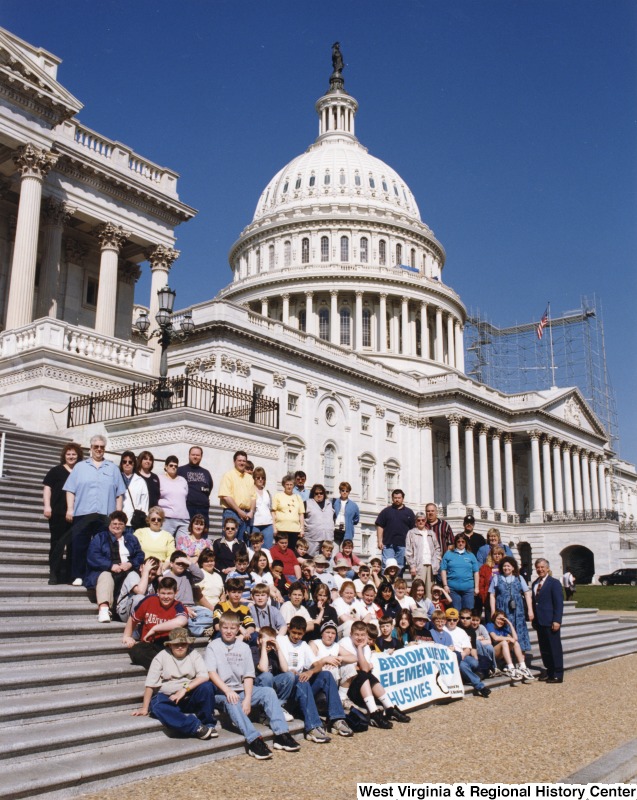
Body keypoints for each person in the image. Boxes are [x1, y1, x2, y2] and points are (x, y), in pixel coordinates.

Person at [205, 611, 300, 758]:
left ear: (238, 629)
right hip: (221, 692)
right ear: (220, 628)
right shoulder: (213, 646)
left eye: (232, 628)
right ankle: (254, 740)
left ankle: (282, 734)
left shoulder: (243, 648)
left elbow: (249, 675)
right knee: (233, 700)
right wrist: (228, 691)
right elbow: (211, 673)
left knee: (268, 692)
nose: (229, 631)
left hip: (241, 690)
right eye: (225, 628)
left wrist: (248, 698)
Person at [132, 627, 217, 740]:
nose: (180, 647)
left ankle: (208, 724)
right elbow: (151, 684)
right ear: (170, 645)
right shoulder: (161, 656)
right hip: (169, 698)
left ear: (188, 644)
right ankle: (196, 727)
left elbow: (204, 676)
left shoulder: (194, 654)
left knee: (207, 687)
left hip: (188, 695)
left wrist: (184, 690)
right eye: (176, 644)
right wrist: (144, 708)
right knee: (157, 704)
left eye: (183, 644)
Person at [64, 434, 126, 586]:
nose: (99, 449)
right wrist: (70, 509)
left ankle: (97, 576)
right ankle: (78, 575)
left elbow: (119, 494)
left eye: (102, 447)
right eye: (96, 447)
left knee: (102, 547)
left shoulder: (112, 468)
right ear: (91, 448)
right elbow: (70, 490)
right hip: (83, 512)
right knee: (80, 545)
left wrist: (118, 514)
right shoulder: (80, 467)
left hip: (105, 515)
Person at [276, 616, 353, 741]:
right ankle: (313, 727)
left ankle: (337, 719)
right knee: (301, 679)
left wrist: (310, 672)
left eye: (300, 634)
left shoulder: (304, 645)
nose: (296, 636)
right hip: (286, 685)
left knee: (326, 675)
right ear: (289, 629)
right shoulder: (280, 639)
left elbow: (317, 664)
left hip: (300, 685)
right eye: (294, 632)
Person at [339, 620, 411, 727]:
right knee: (361, 673)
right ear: (351, 634)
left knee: (365, 674)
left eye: (362, 635)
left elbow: (364, 668)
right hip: (347, 685)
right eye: (356, 635)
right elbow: (363, 667)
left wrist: (359, 649)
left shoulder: (366, 647)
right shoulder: (344, 642)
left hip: (360, 684)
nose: (359, 638)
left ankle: (390, 708)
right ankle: (373, 713)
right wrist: (360, 658)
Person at [85, 510, 145, 623]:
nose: (117, 526)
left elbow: (140, 554)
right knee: (106, 576)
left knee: (133, 575)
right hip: (105, 571)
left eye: (120, 524)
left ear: (124, 526)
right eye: (114, 523)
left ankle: (139, 606)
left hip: (126, 570)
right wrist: (110, 565)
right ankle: (103, 609)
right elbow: (93, 556)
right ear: (109, 524)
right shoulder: (100, 537)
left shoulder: (131, 538)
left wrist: (130, 564)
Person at [122, 576, 188, 671]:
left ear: (176, 593)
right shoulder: (149, 601)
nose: (166, 597)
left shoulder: (178, 605)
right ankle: (167, 669)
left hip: (169, 643)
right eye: (163, 593)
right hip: (150, 643)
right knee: (136, 651)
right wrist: (127, 636)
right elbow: (133, 618)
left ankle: (164, 668)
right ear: (158, 592)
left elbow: (181, 621)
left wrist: (155, 628)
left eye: (169, 593)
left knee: (185, 633)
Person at [43, 441, 83, 584]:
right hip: (58, 513)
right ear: (64, 456)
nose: (71, 456)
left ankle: (70, 575)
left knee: (73, 545)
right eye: (68, 454)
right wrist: (47, 506)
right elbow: (47, 489)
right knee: (57, 544)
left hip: (77, 514)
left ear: (78, 456)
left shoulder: (81, 472)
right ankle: (54, 573)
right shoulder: (56, 471)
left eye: (74, 454)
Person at [489, 556, 534, 653]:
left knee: (520, 630)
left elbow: (526, 593)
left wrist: (530, 610)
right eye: (504, 566)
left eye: (509, 566)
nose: (506, 568)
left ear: (513, 567)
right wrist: (493, 611)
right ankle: (507, 658)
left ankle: (521, 658)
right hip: (502, 609)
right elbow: (492, 595)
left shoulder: (519, 577)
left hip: (518, 611)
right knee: (505, 630)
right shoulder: (496, 578)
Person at [444, 608, 491, 698]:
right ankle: (480, 686)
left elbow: (468, 649)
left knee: (474, 662)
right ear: (446, 619)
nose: (452, 622)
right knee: (463, 665)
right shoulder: (443, 630)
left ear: (457, 620)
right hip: (450, 656)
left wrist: (463, 654)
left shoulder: (461, 631)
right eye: (449, 619)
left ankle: (466, 676)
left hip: (462, 654)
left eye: (454, 619)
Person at [532, 558, 564, 683]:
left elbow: (558, 603)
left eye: (542, 567)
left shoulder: (554, 583)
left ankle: (558, 673)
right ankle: (549, 671)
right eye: (538, 567)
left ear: (548, 568)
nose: (540, 569)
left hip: (551, 621)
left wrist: (557, 620)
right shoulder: (535, 583)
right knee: (544, 648)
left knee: (554, 648)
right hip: (540, 621)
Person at [218, 450, 256, 544]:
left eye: (244, 461)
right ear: (234, 461)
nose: (242, 463)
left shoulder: (249, 478)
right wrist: (239, 511)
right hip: (232, 513)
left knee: (242, 544)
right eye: (239, 460)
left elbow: (253, 497)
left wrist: (251, 511)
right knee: (228, 543)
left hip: (246, 515)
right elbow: (226, 496)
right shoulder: (228, 475)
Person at [375, 489, 415, 573]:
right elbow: (380, 526)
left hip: (403, 545)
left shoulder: (409, 512)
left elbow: (413, 530)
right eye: (395, 498)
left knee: (400, 567)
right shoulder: (386, 511)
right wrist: (379, 541)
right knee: (386, 566)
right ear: (392, 499)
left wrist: (412, 544)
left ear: (403, 498)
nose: (397, 499)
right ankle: (385, 584)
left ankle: (398, 584)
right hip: (388, 544)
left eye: (399, 498)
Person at [486, 610, 532, 683]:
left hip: (500, 654)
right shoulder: (490, 625)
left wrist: (510, 624)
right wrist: (508, 638)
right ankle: (511, 668)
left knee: (515, 643)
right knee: (504, 643)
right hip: (491, 653)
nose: (500, 621)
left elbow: (515, 639)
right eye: (498, 618)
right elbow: (495, 638)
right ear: (494, 618)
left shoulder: (503, 629)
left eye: (502, 620)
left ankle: (523, 666)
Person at [405, 510, 441, 599]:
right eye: (418, 520)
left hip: (431, 566)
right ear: (415, 522)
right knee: (418, 590)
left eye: (423, 520)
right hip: (418, 566)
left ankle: (428, 611)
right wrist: (412, 566)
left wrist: (437, 561)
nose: (421, 522)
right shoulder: (411, 533)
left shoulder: (431, 533)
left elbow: (437, 549)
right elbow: (408, 551)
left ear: (425, 521)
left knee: (429, 592)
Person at [439, 533, 479, 611]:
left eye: (463, 541)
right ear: (455, 542)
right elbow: (443, 570)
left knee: (468, 612)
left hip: (468, 589)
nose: (460, 543)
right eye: (458, 541)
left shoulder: (471, 555)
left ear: (466, 543)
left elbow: (476, 572)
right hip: (453, 589)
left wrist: (476, 587)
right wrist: (445, 585)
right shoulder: (448, 554)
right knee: (455, 612)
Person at [115, 555, 160, 623]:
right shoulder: (133, 575)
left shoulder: (153, 583)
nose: (150, 576)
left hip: (143, 613)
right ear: (141, 568)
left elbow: (167, 590)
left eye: (153, 574)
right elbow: (140, 591)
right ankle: (136, 625)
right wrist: (145, 571)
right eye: (148, 572)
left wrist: (160, 575)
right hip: (125, 612)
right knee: (139, 597)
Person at [177, 446, 213, 527]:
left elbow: (209, 488)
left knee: (203, 535)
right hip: (187, 508)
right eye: (193, 454)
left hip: (203, 509)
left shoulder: (206, 472)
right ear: (189, 455)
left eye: (197, 455)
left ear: (201, 456)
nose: (195, 457)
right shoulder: (180, 470)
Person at [158, 455, 189, 540]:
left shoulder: (182, 480)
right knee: (165, 543)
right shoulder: (159, 479)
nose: (173, 467)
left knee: (183, 547)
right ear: (166, 466)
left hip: (184, 519)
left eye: (175, 466)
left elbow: (185, 497)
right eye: (171, 465)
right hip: (167, 518)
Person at [272, 474, 305, 553]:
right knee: (280, 552)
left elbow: (301, 514)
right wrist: (274, 528)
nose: (289, 486)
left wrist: (302, 529)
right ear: (284, 485)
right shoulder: (278, 496)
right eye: (287, 484)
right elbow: (273, 513)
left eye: (291, 484)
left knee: (291, 552)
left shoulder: (298, 497)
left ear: (293, 485)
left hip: (294, 530)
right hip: (281, 529)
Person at [120, 450, 149, 533]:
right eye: (124, 461)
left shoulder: (140, 481)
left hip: (134, 523)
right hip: (118, 522)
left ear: (134, 464)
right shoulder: (116, 478)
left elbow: (145, 503)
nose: (127, 464)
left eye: (130, 462)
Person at [304, 484, 334, 556]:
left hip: (327, 538)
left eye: (321, 493)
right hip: (313, 538)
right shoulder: (307, 503)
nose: (319, 495)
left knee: (326, 561)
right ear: (313, 494)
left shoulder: (330, 503)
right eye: (316, 493)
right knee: (312, 559)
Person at [251, 467, 274, 549]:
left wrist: (274, 526)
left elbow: (271, 510)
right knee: (254, 549)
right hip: (255, 524)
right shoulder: (251, 490)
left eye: (263, 478)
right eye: (258, 477)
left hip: (268, 524)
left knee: (267, 549)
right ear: (254, 478)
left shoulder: (267, 492)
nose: (260, 480)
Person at [331, 482, 360, 547]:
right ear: (340, 491)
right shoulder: (334, 502)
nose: (344, 492)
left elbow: (356, 519)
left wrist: (349, 522)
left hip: (347, 533)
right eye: (343, 490)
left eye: (347, 491)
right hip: (334, 532)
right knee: (334, 554)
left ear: (349, 492)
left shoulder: (354, 505)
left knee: (344, 555)